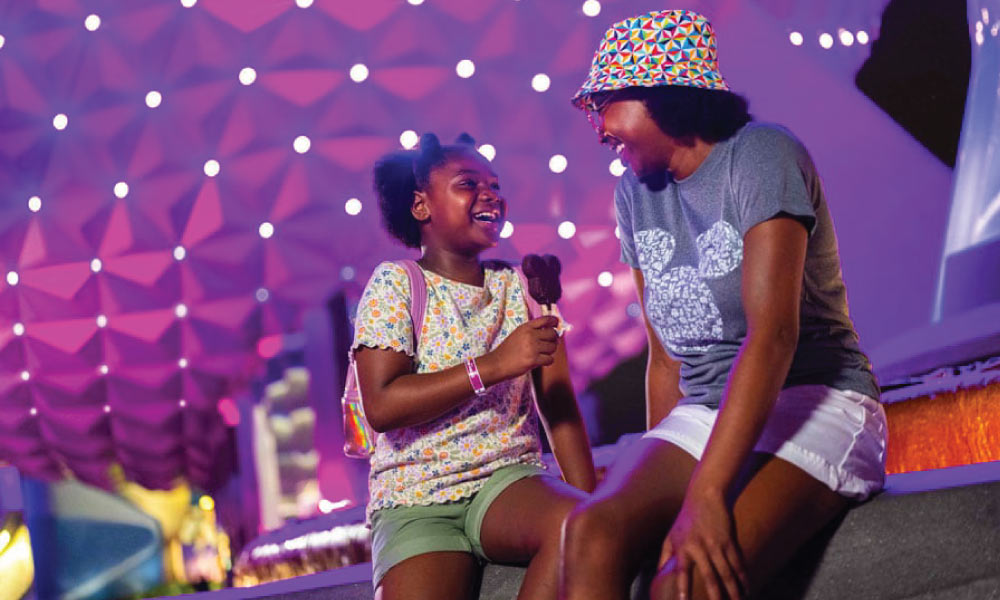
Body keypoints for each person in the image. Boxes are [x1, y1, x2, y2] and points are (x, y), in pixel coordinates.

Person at [559, 10, 887, 600]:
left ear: (661, 93)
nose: (599, 128)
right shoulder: (633, 194)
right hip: (704, 411)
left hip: (814, 398)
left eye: (605, 103)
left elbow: (774, 336)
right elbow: (665, 361)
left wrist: (703, 495)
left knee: (681, 585)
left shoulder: (761, 155)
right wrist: (663, 500)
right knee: (590, 533)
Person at [353, 132, 596, 600]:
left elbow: (559, 407)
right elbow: (382, 405)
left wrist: (593, 506)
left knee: (581, 528)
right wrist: (494, 365)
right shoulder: (396, 285)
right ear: (421, 206)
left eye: (495, 185)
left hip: (508, 481)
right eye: (469, 183)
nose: (491, 195)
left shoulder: (520, 288)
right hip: (415, 497)